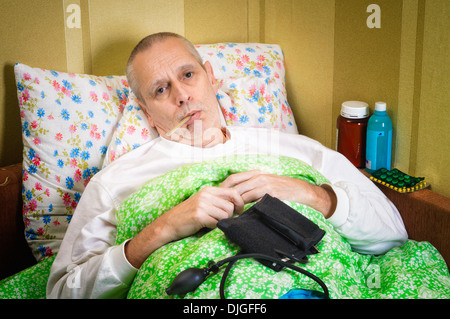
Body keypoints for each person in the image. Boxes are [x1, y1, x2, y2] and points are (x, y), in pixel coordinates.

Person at [47, 32, 407, 299]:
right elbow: (63, 292)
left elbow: (392, 234)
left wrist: (312, 195)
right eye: (160, 90)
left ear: (210, 76)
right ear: (145, 112)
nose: (182, 95)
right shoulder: (116, 181)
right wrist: (161, 231)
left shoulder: (295, 150)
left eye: (188, 75)